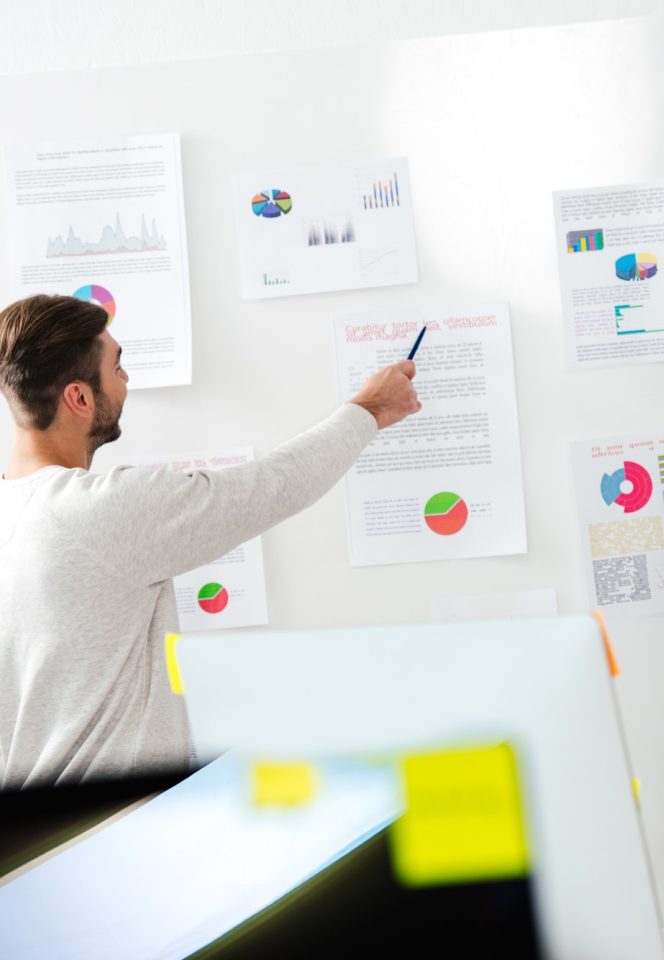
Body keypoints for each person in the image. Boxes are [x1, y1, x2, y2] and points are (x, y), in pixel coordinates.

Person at [0, 293, 420, 791]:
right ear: (79, 398)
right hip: (113, 828)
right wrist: (371, 408)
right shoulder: (98, 511)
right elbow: (274, 485)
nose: (127, 380)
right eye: (118, 366)